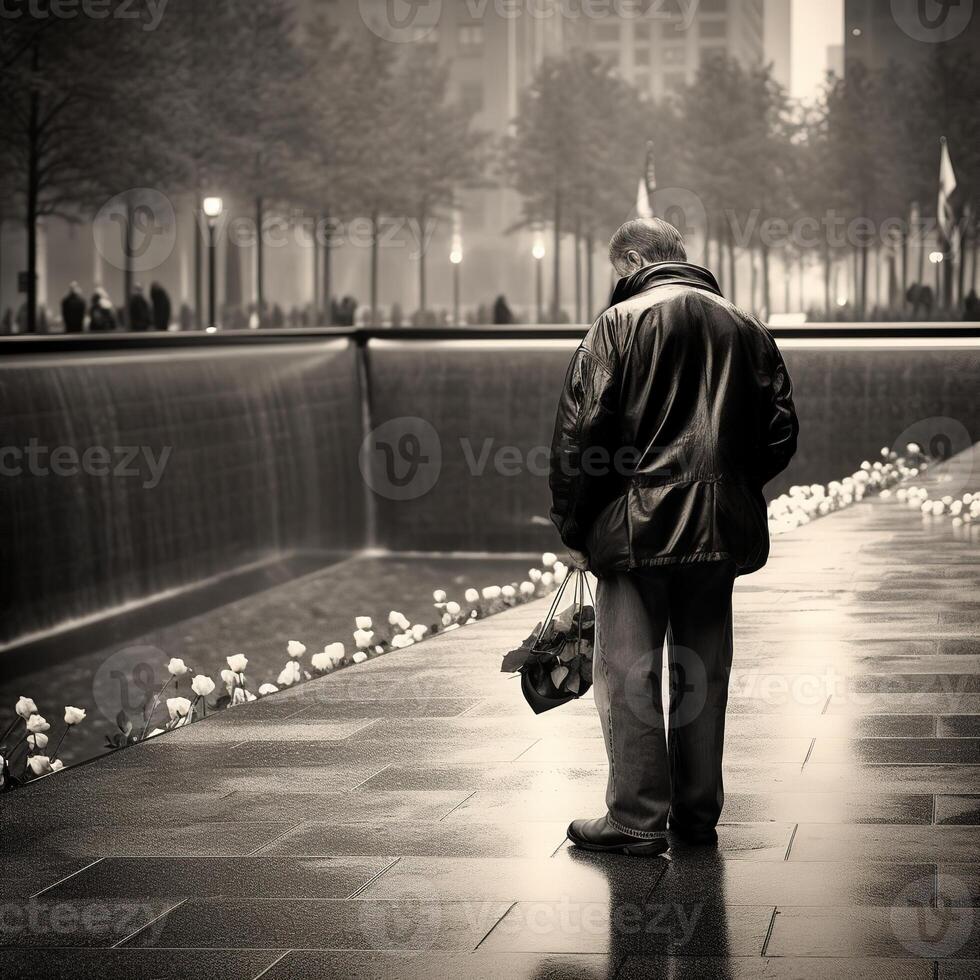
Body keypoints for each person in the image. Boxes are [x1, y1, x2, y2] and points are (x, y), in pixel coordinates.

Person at [549, 218, 799, 857]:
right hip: (718, 529)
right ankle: (696, 817)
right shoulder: (745, 325)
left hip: (635, 533)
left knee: (630, 673)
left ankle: (635, 819)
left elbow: (583, 436)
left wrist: (575, 526)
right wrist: (727, 486)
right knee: (702, 676)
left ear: (631, 259)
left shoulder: (619, 323)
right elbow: (778, 433)